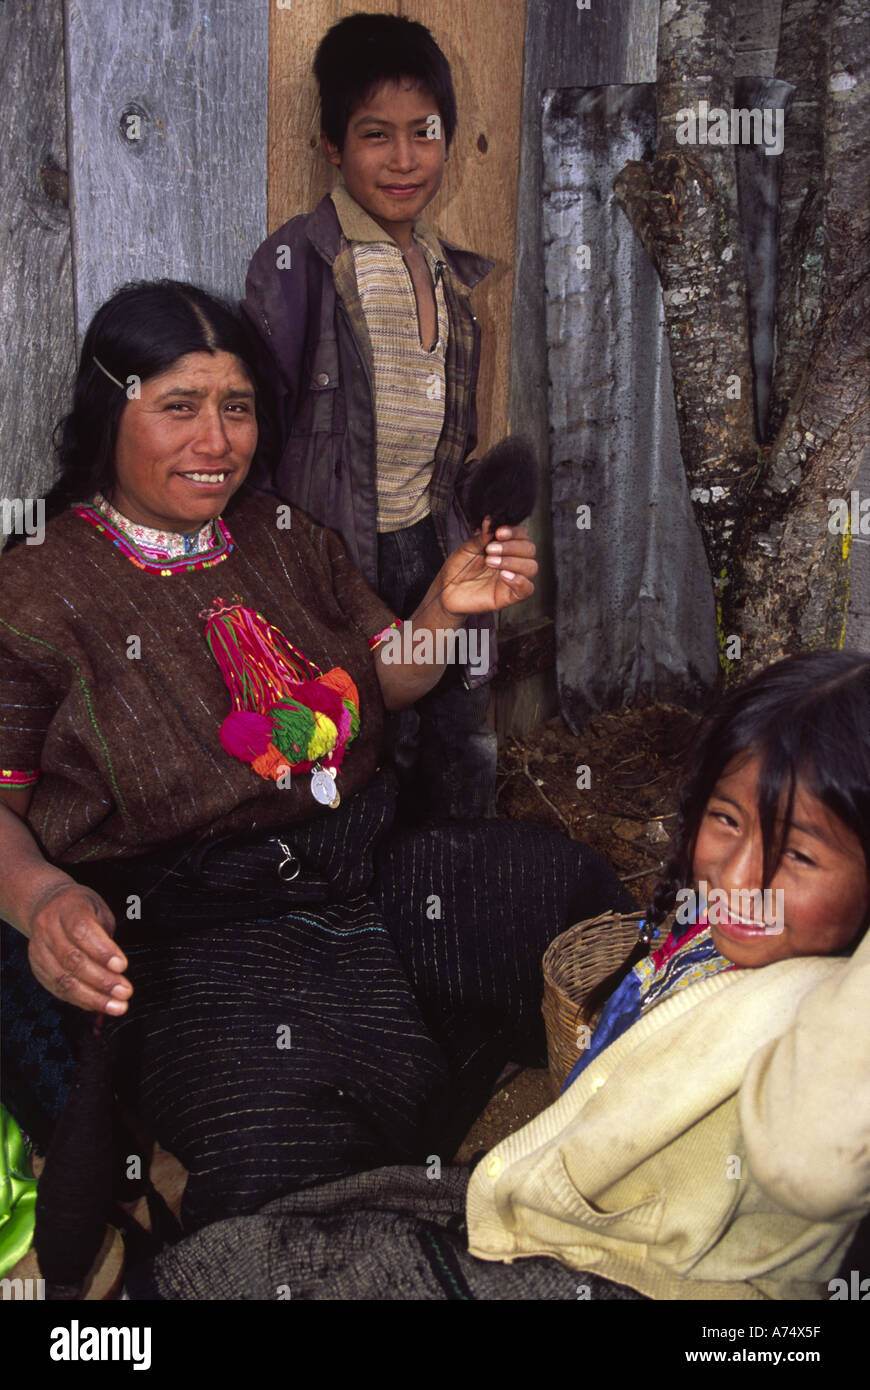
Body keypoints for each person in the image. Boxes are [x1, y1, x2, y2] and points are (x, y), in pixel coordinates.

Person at [0, 279, 634, 1235]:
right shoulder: (39, 588)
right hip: (192, 923)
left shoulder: (282, 534)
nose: (218, 441)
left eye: (238, 407)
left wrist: (439, 615)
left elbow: (377, 683)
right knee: (279, 1135)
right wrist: (44, 901)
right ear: (108, 410)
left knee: (565, 896)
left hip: (361, 862)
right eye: (179, 406)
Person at [128, 651, 870, 1300]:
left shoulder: (830, 1017)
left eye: (798, 856)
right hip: (595, 1209)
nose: (739, 878)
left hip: (654, 1280)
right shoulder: (731, 938)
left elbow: (809, 1165)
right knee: (302, 1224)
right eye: (726, 820)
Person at [242, 12, 499, 823]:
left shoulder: (448, 276)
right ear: (331, 144)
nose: (402, 159)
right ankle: (367, 905)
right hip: (339, 549)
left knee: (456, 725)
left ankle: (455, 879)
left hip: (431, 538)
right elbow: (264, 426)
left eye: (422, 133)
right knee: (356, 731)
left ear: (447, 139)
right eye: (373, 135)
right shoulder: (299, 267)